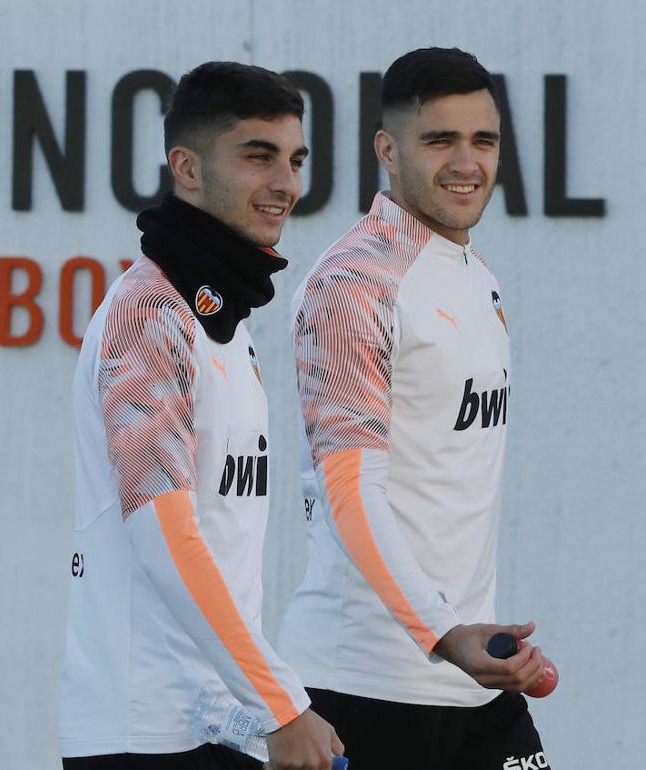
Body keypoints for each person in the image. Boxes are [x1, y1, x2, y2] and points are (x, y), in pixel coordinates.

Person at [59, 62, 343, 770]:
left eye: (295, 159)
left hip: (217, 725)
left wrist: (262, 704)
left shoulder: (219, 318)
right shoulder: (147, 317)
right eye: (258, 156)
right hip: (145, 736)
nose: (286, 183)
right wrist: (283, 702)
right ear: (186, 168)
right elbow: (166, 539)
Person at [278, 48, 553, 769]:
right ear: (388, 149)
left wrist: (465, 639)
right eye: (441, 141)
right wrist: (442, 633)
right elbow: (349, 492)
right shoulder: (354, 285)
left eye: (483, 141)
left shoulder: (474, 274)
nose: (467, 163)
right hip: (366, 689)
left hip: (473, 680)